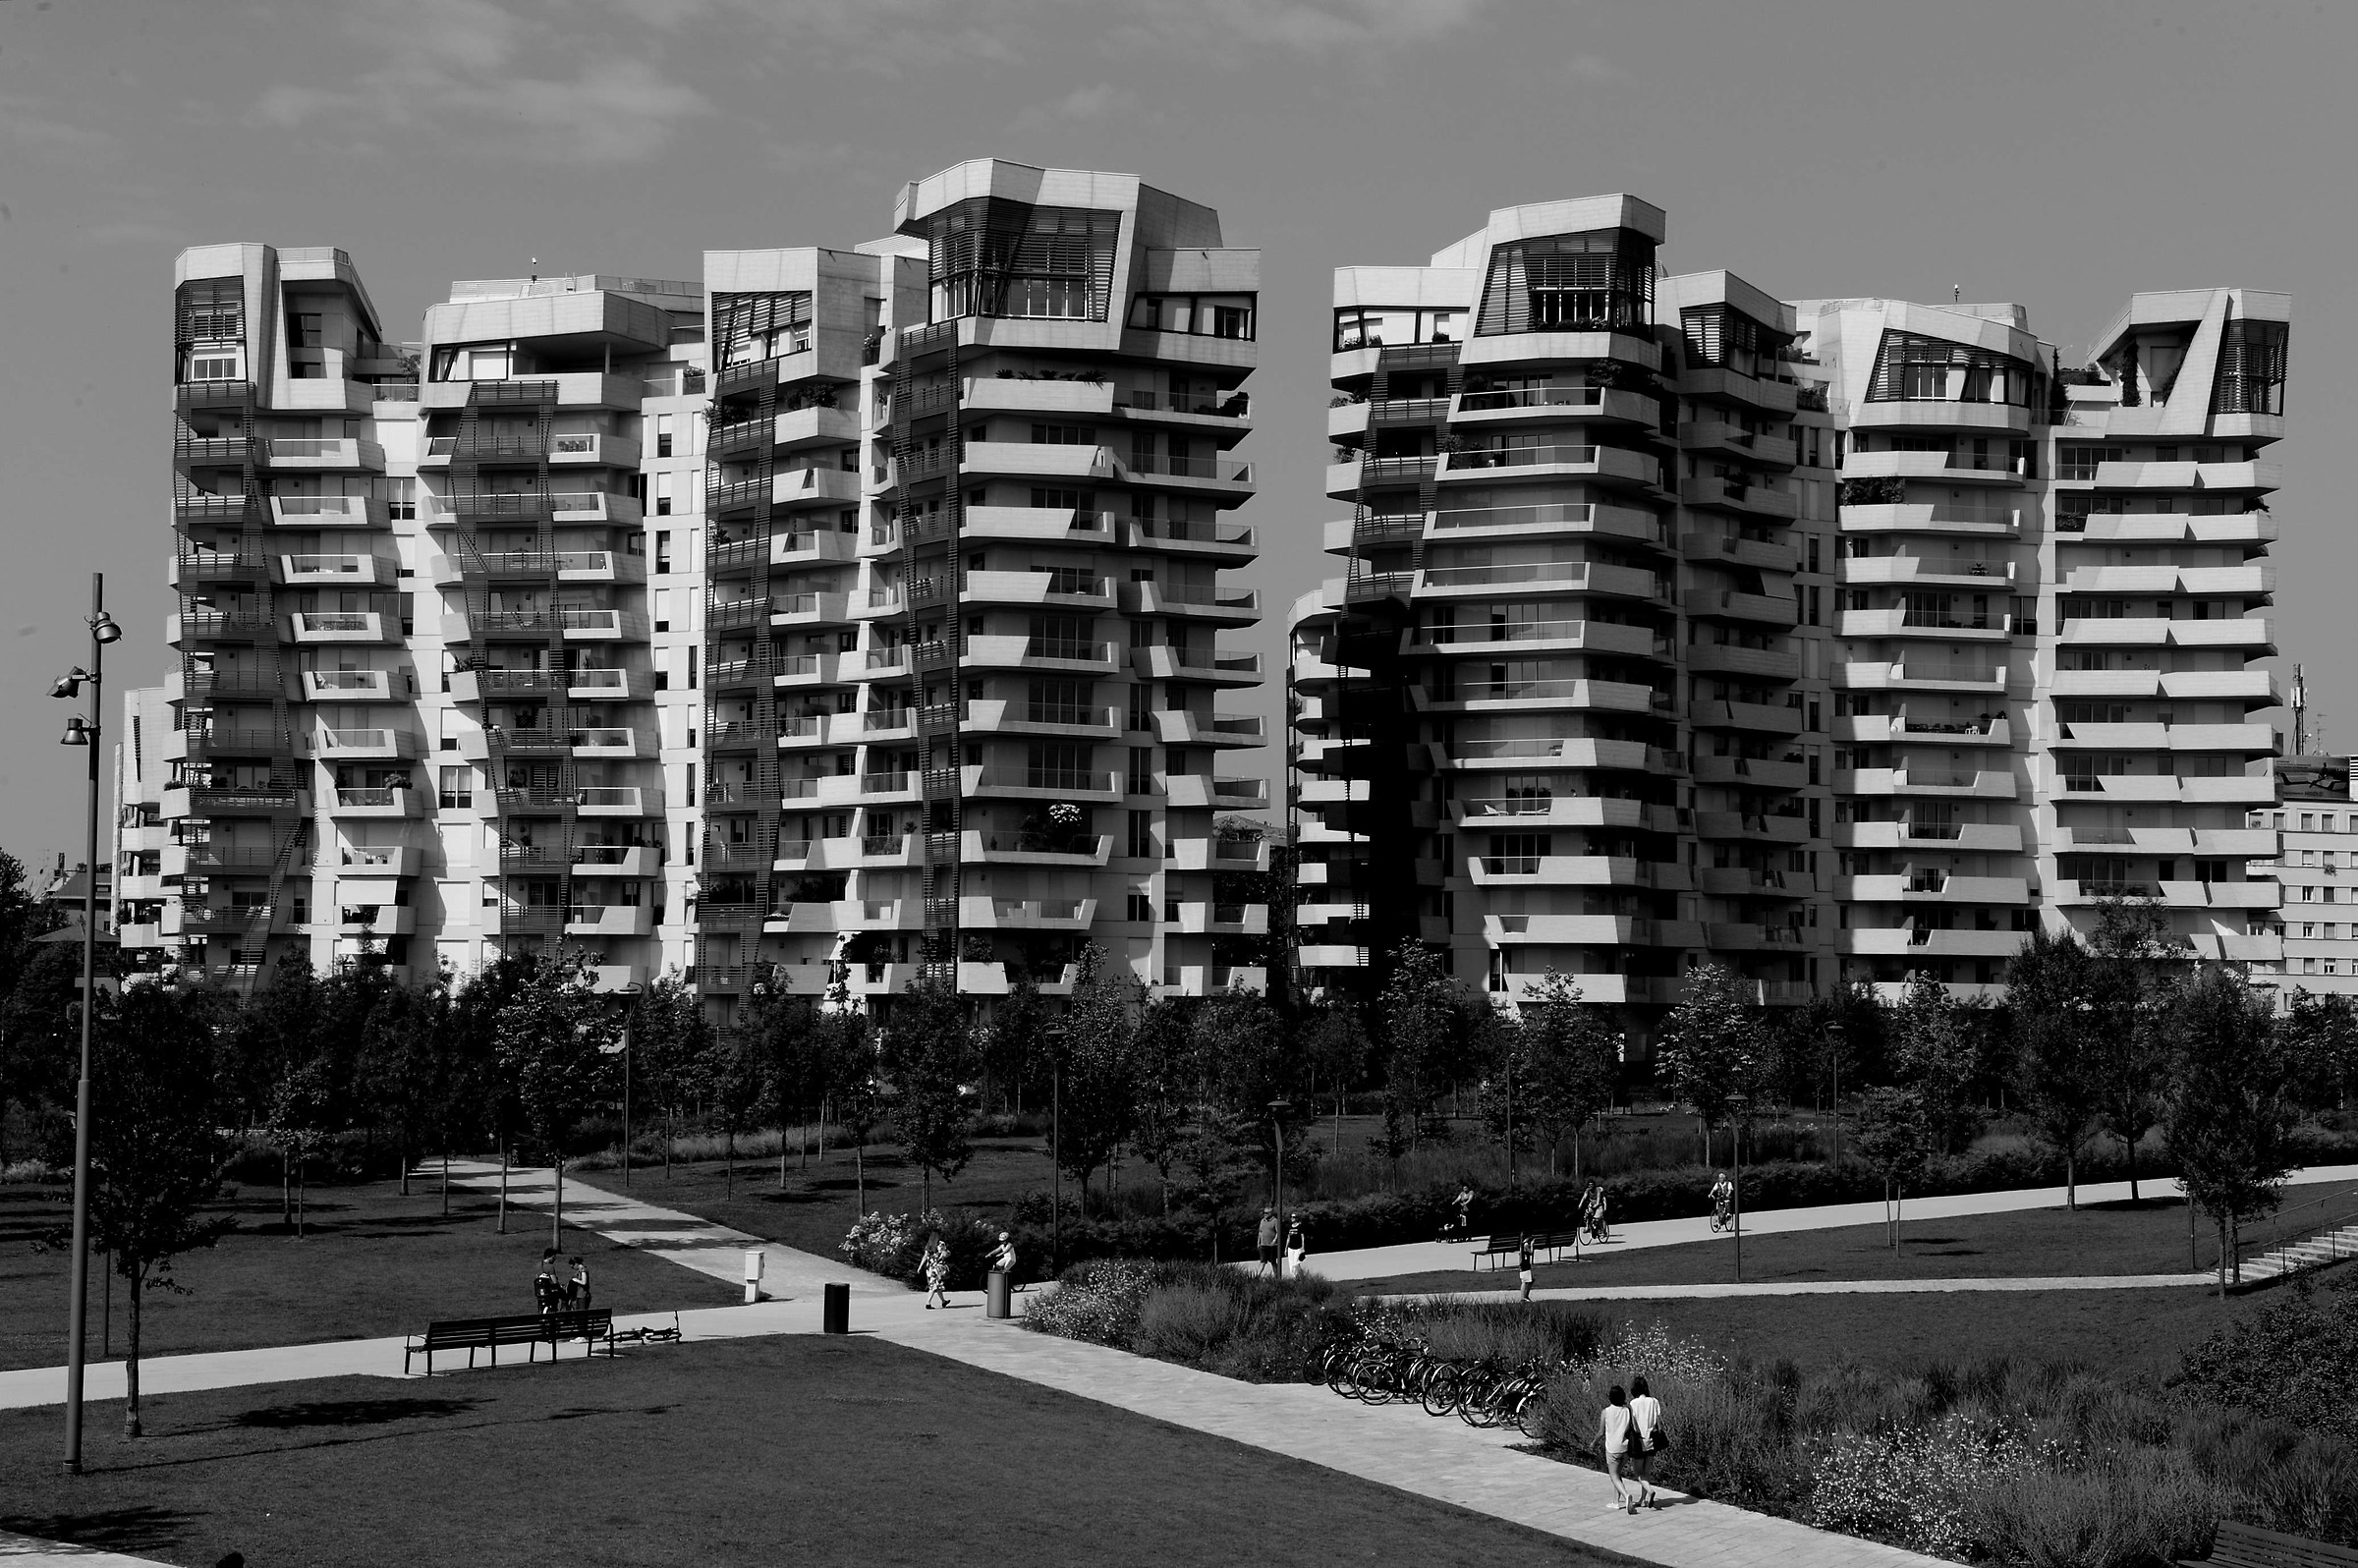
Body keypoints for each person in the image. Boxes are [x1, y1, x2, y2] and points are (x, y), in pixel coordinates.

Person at [1598, 1384, 1638, 1514]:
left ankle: (1626, 1496)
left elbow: (1601, 1432)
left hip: (1612, 1448)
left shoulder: (1606, 1412)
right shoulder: (1627, 1411)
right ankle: (1615, 1501)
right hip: (1625, 1447)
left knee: (1613, 1476)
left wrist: (1593, 1442)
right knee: (1618, 1474)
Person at [1627, 1374, 1663, 1511]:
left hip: (1639, 1440)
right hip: (1652, 1439)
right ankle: (1643, 1500)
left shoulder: (1633, 1403)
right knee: (1646, 1472)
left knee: (1637, 1472)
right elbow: (1657, 1421)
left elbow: (1633, 1423)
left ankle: (1649, 1491)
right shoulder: (1654, 1401)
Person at [922, 1234, 951, 1310]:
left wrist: (920, 1267)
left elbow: (925, 1256)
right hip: (937, 1269)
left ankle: (943, 1301)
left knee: (937, 1286)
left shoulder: (929, 1246)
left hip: (930, 1269)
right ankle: (928, 1303)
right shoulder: (941, 1244)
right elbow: (945, 1254)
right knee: (933, 1286)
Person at [534, 1250, 561, 1316]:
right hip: (549, 1292)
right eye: (553, 1257)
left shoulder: (538, 1265)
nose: (554, 1259)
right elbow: (554, 1281)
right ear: (548, 1256)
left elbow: (537, 1277)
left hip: (539, 1292)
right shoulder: (550, 1267)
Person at [1256, 1206, 1281, 1277]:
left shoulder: (1275, 1221)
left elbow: (1278, 1232)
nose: (1265, 1214)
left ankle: (1277, 1276)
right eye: (1264, 1213)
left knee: (1273, 1262)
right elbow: (1260, 1232)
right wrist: (1259, 1242)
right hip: (1263, 1245)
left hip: (1272, 1246)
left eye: (1267, 1213)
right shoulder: (1262, 1221)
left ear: (1271, 1213)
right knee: (1262, 1261)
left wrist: (1274, 1241)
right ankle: (1257, 1276)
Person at [1283, 1215, 1309, 1280]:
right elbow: (1288, 1238)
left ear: (1297, 1218)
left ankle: (1302, 1276)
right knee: (1291, 1264)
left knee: (1296, 1263)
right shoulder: (1290, 1227)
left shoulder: (1300, 1226)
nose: (1292, 1218)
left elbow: (1302, 1238)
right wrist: (1286, 1248)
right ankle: (1294, 1278)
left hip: (1298, 1248)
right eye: (1291, 1217)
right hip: (1290, 1248)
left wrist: (1303, 1248)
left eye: (1293, 1217)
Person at [1517, 1233, 1537, 1302]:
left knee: (1531, 1280)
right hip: (1524, 1265)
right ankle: (1523, 1297)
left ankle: (1526, 1295)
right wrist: (1532, 1245)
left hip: (1525, 1264)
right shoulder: (1525, 1245)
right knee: (1525, 1281)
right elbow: (1531, 1252)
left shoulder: (1521, 1245)